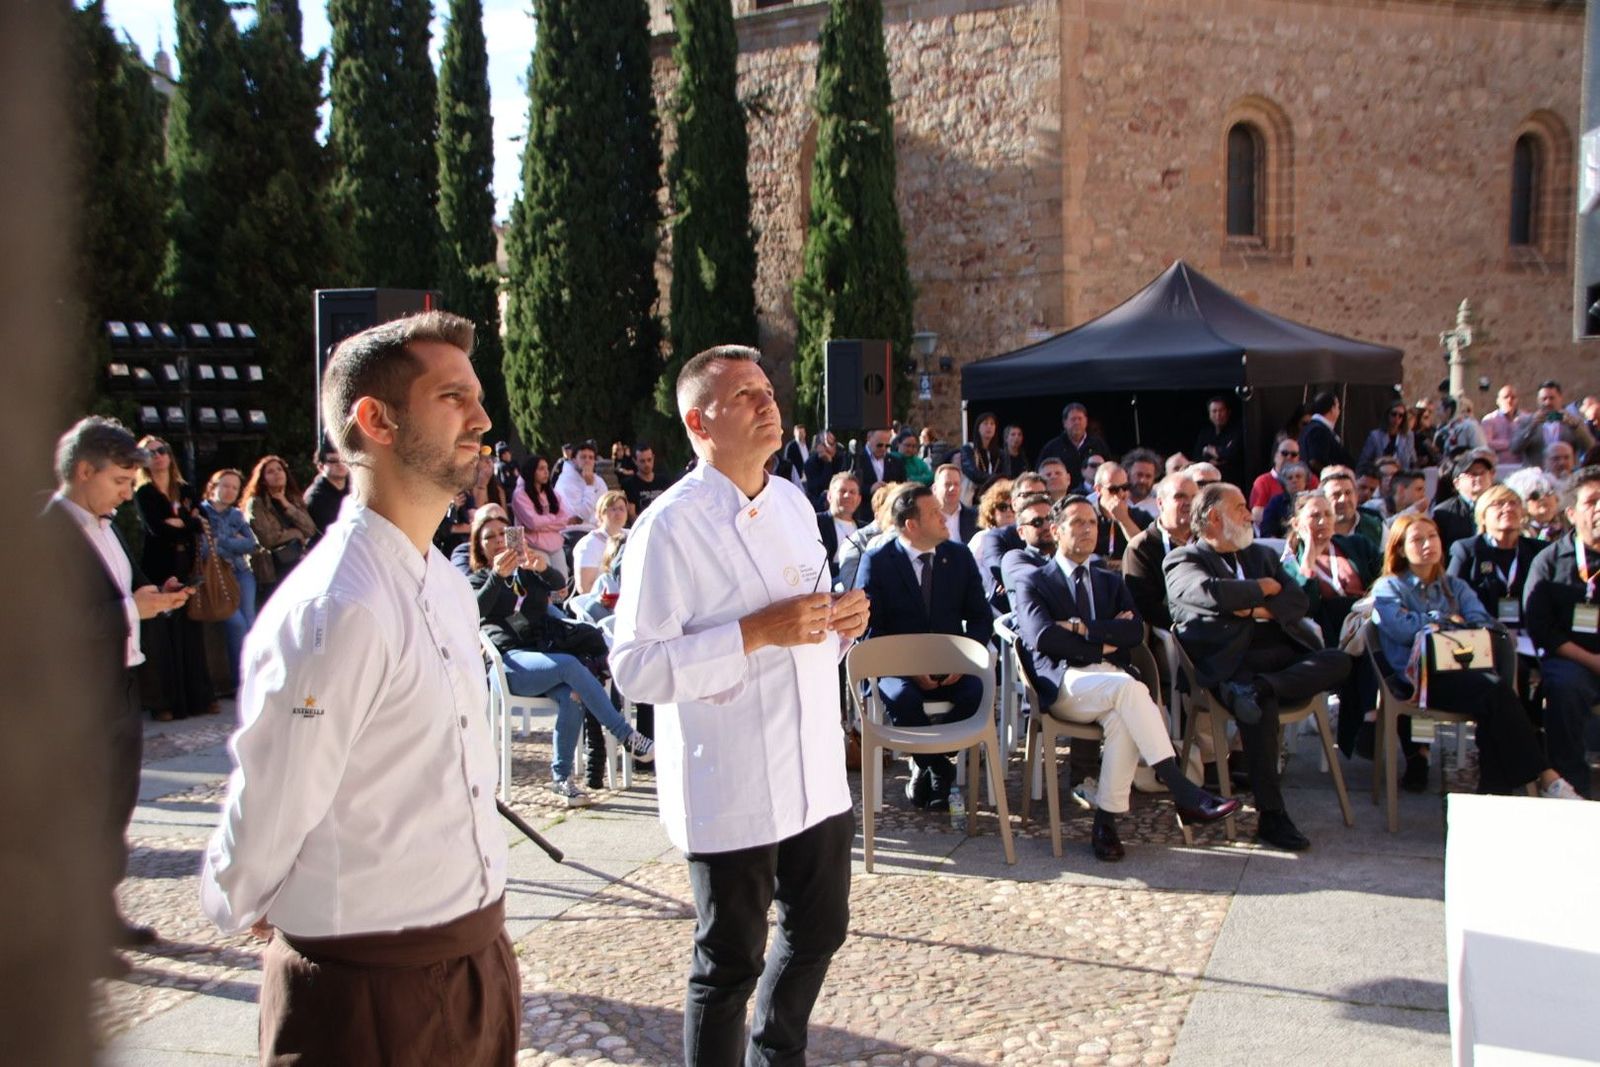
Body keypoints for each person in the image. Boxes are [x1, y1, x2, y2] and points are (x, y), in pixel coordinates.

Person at [201, 311, 521, 1063]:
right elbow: (275, 796)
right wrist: (241, 898)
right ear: (375, 419)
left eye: (475, 396)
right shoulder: (337, 607)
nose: (481, 418)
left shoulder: (443, 580)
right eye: (452, 397)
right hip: (367, 992)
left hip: (477, 962)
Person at [609, 345, 868, 1066]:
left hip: (814, 766)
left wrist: (845, 623)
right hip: (732, 775)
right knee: (728, 965)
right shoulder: (669, 526)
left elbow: (809, 624)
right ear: (700, 420)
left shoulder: (792, 501)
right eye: (745, 394)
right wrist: (755, 632)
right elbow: (633, 667)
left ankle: (776, 1053)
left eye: (767, 389)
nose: (767, 401)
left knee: (821, 929)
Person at [1006, 495, 1239, 861]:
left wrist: (1081, 628)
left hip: (1112, 683)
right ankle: (1183, 790)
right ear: (1055, 530)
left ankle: (1106, 824)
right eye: (1077, 523)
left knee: (1123, 717)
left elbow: (1133, 635)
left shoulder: (1108, 580)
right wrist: (1102, 644)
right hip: (1064, 683)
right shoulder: (1034, 581)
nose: (1087, 530)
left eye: (1093, 523)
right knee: (1131, 690)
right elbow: (1042, 638)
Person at [47, 418, 192, 975]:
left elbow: (111, 597)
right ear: (84, 470)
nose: (129, 493)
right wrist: (134, 610)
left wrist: (148, 597)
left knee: (113, 808)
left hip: (120, 683)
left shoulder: (107, 526)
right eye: (121, 482)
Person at [1165, 483, 1353, 851]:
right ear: (1215, 518)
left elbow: (1298, 601)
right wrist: (1264, 590)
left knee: (1340, 660)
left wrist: (1250, 607)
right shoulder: (1184, 559)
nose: (1249, 514)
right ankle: (1272, 817)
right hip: (1232, 665)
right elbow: (1209, 593)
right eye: (1239, 508)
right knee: (1258, 711)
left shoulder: (1259, 556)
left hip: (1279, 660)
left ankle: (1266, 686)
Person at [1371, 513, 1579, 799]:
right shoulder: (1390, 587)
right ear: (1400, 549)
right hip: (1418, 680)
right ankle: (1543, 776)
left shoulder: (1455, 586)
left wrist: (1431, 622)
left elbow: (1482, 622)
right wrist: (1445, 618)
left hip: (1462, 670)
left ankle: (1496, 790)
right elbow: (1401, 630)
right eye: (1417, 540)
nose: (1427, 544)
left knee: (1494, 696)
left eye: (1432, 537)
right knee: (1495, 693)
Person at [470, 508, 652, 802]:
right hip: (509, 663)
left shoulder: (526, 573)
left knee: (571, 695)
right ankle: (625, 734)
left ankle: (561, 779)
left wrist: (541, 568)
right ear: (479, 544)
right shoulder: (478, 579)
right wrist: (495, 576)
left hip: (544, 658)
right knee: (570, 666)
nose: (498, 541)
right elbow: (474, 611)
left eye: (503, 534)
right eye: (489, 537)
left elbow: (558, 586)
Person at [858, 483, 992, 810]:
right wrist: (911, 668)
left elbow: (980, 619)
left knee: (976, 693)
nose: (945, 517)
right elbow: (870, 629)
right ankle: (939, 768)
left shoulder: (958, 557)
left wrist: (961, 663)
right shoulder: (878, 561)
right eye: (934, 513)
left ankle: (927, 763)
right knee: (903, 697)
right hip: (896, 668)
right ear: (912, 525)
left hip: (952, 668)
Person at [1279, 491, 1380, 757]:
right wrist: (1309, 557)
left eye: (1327, 515)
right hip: (1327, 637)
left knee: (1376, 636)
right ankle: (1370, 718)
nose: (1323, 521)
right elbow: (1304, 606)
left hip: (1368, 626)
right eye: (1314, 515)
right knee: (1367, 638)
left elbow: (1385, 577)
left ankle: (1378, 726)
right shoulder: (1288, 563)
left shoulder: (1357, 545)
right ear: (1297, 522)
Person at [1523, 466, 1600, 798]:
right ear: (1571, 513)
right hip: (1571, 659)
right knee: (1565, 686)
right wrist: (1592, 660)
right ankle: (1572, 788)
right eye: (1592, 501)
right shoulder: (1549, 560)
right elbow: (1540, 628)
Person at [134, 436, 215, 720]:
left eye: (162, 450)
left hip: (186, 567)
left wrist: (184, 523)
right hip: (159, 568)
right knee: (162, 638)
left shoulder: (185, 489)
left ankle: (199, 698)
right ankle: (165, 703)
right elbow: (157, 529)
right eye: (150, 453)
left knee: (190, 634)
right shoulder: (144, 493)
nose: (157, 456)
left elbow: (201, 523)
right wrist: (185, 523)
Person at [200, 468, 259, 683]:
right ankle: (241, 680)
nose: (229, 491)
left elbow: (251, 544)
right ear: (213, 487)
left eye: (234, 487)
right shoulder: (201, 513)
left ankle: (251, 678)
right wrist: (232, 541)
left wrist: (221, 541)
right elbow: (205, 549)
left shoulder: (236, 514)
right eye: (225, 485)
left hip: (242, 573)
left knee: (250, 621)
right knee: (236, 623)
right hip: (215, 576)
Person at [1123, 473, 1198, 632]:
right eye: (1180, 496)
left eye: (1194, 497)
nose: (1189, 503)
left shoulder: (1208, 541)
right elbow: (1145, 607)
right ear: (1160, 503)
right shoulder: (1140, 548)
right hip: (1172, 635)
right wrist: (1195, 619)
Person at [242, 454, 316, 608]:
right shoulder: (256, 504)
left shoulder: (293, 499)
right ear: (262, 479)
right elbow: (267, 538)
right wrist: (296, 533)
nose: (277, 473)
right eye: (270, 471)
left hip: (297, 563)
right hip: (273, 569)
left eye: (279, 469)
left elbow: (310, 529)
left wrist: (286, 504)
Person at [975, 472, 1047, 615]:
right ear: (1014, 503)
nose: (1036, 499)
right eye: (1028, 495)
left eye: (1042, 494)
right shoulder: (997, 537)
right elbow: (1002, 572)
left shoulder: (1058, 531)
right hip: (1011, 612)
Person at [512, 453, 578, 579]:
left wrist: (542, 524)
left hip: (555, 545)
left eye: (547, 468)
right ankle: (550, 600)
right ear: (532, 471)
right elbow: (533, 523)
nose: (546, 472)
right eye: (541, 469)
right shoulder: (520, 495)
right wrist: (553, 519)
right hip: (534, 546)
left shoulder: (551, 493)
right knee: (546, 582)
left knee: (561, 579)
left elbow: (564, 520)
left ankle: (559, 600)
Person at [1512, 379, 1594, 467]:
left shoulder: (1574, 421)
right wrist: (1532, 427)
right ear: (1537, 400)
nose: (1547, 402)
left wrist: (1574, 427)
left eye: (1552, 398)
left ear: (1560, 398)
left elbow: (1590, 447)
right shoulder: (1526, 421)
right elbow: (1515, 449)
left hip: (1567, 473)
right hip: (1537, 474)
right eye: (1544, 399)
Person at [1431, 447, 1497, 552]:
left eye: (1483, 472)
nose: (1479, 478)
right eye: (1473, 474)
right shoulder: (1444, 512)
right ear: (1457, 483)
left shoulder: (1500, 506)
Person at [1091, 460, 1153, 570]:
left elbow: (1146, 551)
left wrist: (1124, 519)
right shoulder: (1088, 516)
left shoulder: (1141, 517)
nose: (1121, 493)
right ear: (1098, 490)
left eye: (1125, 487)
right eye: (1113, 489)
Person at [1037, 402, 1111, 490]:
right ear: (1064, 423)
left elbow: (1109, 469)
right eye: (1073, 419)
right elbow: (1039, 473)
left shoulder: (1098, 444)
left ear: (1086, 421)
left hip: (1094, 494)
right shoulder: (1052, 448)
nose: (1077, 422)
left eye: (1080, 419)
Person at [573, 490, 629, 598]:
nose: (618, 513)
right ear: (600, 514)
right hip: (602, 603)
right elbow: (584, 587)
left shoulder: (632, 535)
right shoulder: (588, 544)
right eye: (613, 509)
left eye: (622, 509)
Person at [1249, 435, 1315, 527]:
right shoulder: (1263, 481)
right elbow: (1256, 514)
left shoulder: (1311, 479)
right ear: (1275, 456)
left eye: (1293, 454)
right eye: (1284, 453)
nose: (1289, 457)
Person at [1320, 466, 1384, 553]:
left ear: (1356, 496)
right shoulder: (1315, 530)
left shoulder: (1377, 528)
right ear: (1322, 499)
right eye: (1336, 494)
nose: (1343, 499)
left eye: (1348, 493)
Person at [849, 428, 906, 523]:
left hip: (888, 515)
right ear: (869, 438)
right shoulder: (855, 459)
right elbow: (847, 484)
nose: (883, 448)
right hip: (863, 514)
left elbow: (903, 486)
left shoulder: (896, 462)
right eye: (879, 445)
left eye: (887, 446)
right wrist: (869, 489)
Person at [1504, 467, 1569, 541]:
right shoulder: (1516, 531)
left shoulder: (1570, 523)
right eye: (1535, 495)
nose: (1542, 498)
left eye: (1548, 492)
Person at [1192, 396, 1244, 487]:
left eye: (1221, 410)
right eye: (1214, 411)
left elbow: (1231, 454)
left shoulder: (1236, 431)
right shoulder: (1205, 433)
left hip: (1231, 481)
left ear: (1228, 412)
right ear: (1209, 414)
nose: (1218, 415)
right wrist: (1209, 461)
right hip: (1207, 482)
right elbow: (1196, 456)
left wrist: (1209, 450)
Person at [1298, 390, 1353, 475]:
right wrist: (1336, 474)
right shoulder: (1317, 430)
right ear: (1332, 409)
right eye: (1338, 407)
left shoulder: (1315, 428)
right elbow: (1315, 461)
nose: (1339, 411)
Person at [554, 439, 606, 530]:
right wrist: (589, 486)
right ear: (574, 460)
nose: (587, 461)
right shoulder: (565, 481)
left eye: (591, 458)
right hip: (575, 531)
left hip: (599, 528)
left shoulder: (599, 480)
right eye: (583, 457)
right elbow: (580, 516)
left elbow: (607, 507)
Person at [817, 472, 860, 580]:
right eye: (842, 491)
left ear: (859, 499)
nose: (847, 495)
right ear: (830, 496)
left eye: (852, 492)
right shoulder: (816, 522)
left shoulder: (864, 529)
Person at [967, 477, 1015, 567]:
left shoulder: (1025, 537)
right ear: (991, 511)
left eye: (1013, 506)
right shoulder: (981, 538)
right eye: (1002, 507)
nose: (1009, 511)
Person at [621, 442, 674, 521]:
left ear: (653, 458)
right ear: (635, 461)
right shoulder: (629, 484)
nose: (647, 464)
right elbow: (632, 514)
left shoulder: (665, 481)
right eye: (642, 461)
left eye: (649, 460)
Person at [301, 447, 349, 536]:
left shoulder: (355, 488)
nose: (340, 464)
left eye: (343, 460)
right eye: (333, 461)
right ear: (321, 467)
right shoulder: (315, 497)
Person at [1357, 401, 1419, 470]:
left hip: (1402, 476)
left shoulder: (1408, 436)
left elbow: (1413, 460)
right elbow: (1363, 462)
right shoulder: (1375, 436)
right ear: (1388, 415)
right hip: (1381, 475)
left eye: (1400, 416)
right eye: (1394, 414)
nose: (1397, 418)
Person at [958, 411, 1004, 502]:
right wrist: (995, 478)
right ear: (978, 427)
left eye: (992, 424)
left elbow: (1006, 474)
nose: (989, 427)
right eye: (985, 423)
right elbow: (973, 473)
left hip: (995, 497)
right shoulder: (968, 449)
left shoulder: (1000, 453)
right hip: (974, 499)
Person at [1257, 462, 1309, 539]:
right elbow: (1267, 530)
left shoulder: (1314, 500)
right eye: (1290, 478)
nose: (1294, 480)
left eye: (1298, 477)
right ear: (1284, 483)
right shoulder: (1275, 502)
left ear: (1306, 481)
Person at [931, 462, 979, 543]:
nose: (953, 488)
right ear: (934, 489)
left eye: (956, 484)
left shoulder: (976, 518)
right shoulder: (926, 519)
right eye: (947, 484)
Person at [1481, 385, 1525, 466]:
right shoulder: (1489, 419)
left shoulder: (1525, 418)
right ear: (1498, 401)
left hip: (1521, 466)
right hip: (1499, 466)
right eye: (1506, 397)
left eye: (1513, 397)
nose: (1509, 400)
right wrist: (1510, 444)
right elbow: (1486, 443)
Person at [802, 429, 847, 507]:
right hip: (818, 504)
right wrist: (828, 463)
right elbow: (820, 488)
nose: (829, 448)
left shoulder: (840, 459)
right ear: (818, 446)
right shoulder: (810, 463)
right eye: (826, 444)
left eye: (832, 444)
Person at [1121, 448, 1163, 520]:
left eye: (1148, 476)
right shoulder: (1116, 500)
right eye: (1139, 475)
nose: (1143, 480)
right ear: (1128, 474)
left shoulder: (1160, 508)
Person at [1411, 398, 1442, 467]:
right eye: (1422, 411)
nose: (1426, 414)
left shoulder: (1437, 432)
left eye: (1430, 412)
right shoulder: (1409, 432)